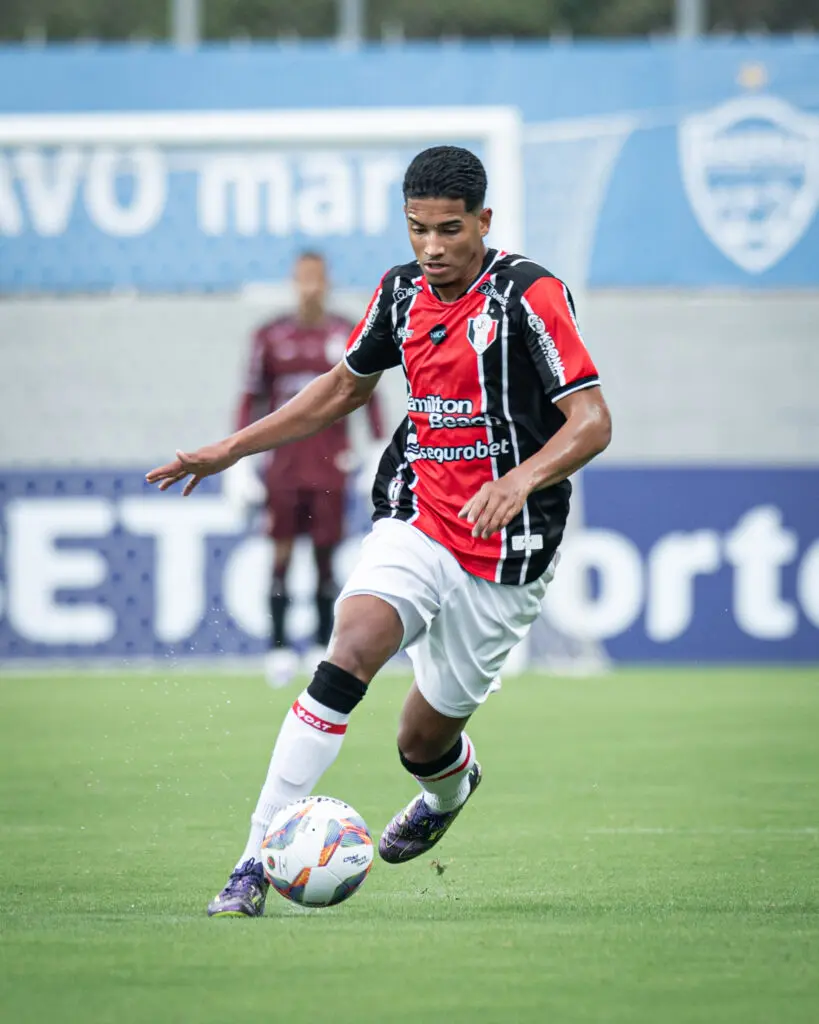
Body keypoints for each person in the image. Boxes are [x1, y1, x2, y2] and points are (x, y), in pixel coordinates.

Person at [146, 145, 612, 918]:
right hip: (418, 517)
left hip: (507, 553)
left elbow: (591, 421)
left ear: (483, 222)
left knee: (419, 742)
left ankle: (448, 790)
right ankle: (251, 863)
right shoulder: (399, 294)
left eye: (449, 230)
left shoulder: (529, 295)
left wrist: (517, 480)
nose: (431, 247)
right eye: (417, 229)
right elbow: (341, 388)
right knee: (351, 648)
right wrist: (232, 448)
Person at [234, 251, 382, 687]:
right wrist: (239, 461)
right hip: (283, 465)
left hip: (330, 465)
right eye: (303, 278)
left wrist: (376, 449)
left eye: (317, 278)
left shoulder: (347, 332)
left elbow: (370, 395)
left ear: (327, 282)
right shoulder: (269, 336)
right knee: (280, 554)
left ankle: (320, 644)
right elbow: (250, 398)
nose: (310, 287)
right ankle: (278, 648)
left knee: (325, 558)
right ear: (293, 282)